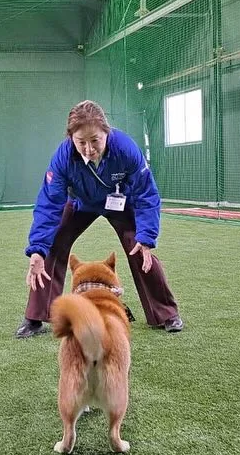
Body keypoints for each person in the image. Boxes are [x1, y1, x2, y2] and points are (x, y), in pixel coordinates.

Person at [16, 100, 184, 338]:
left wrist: (146, 237)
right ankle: (35, 318)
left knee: (140, 250)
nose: (88, 148)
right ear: (71, 139)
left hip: (120, 202)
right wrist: (37, 249)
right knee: (50, 247)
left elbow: (146, 194)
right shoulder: (63, 157)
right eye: (80, 142)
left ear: (106, 132)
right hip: (80, 203)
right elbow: (50, 202)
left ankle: (166, 313)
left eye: (95, 140)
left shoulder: (126, 149)